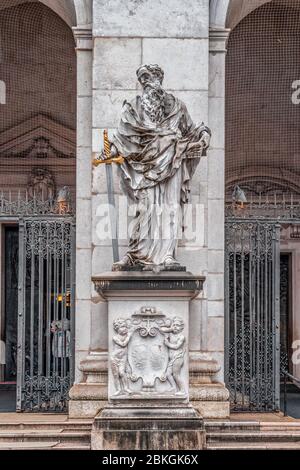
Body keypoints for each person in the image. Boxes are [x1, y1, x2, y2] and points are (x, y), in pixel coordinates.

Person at [103, 64, 211, 268]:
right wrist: (113, 150)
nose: (148, 87)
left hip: (173, 163)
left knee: (170, 209)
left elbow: (194, 130)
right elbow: (122, 137)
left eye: (151, 81)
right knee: (144, 210)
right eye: (144, 83)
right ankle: (136, 254)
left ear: (159, 82)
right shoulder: (133, 108)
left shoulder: (177, 107)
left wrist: (204, 136)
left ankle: (168, 256)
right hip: (143, 168)